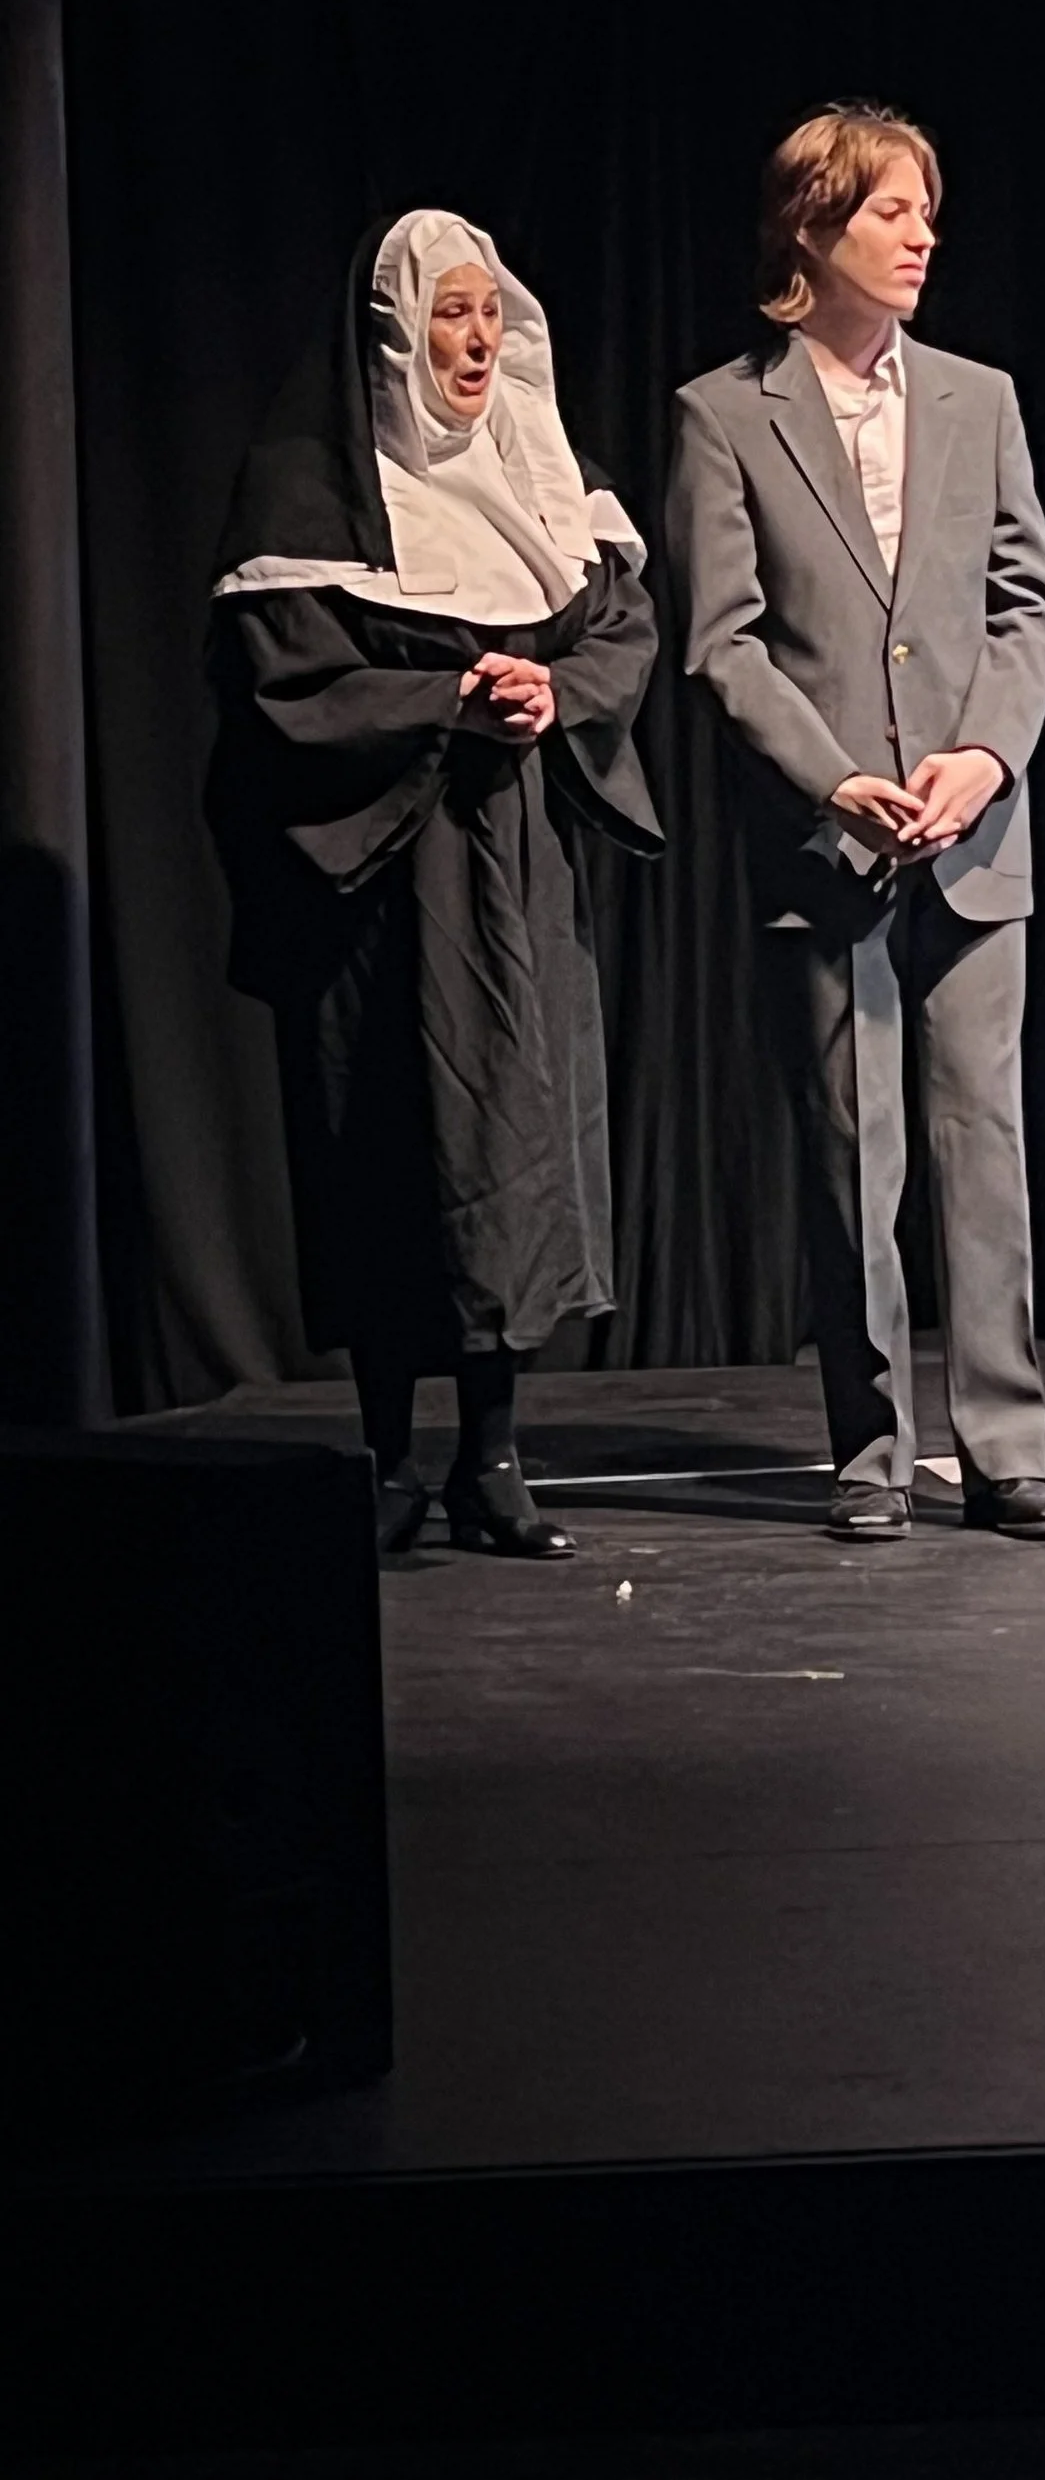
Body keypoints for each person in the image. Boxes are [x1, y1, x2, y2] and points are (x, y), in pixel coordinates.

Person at [209, 211, 662, 1556]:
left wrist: (552, 693)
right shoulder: (308, 495)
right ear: (392, 337)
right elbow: (285, 682)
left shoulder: (543, 477)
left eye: (487, 313)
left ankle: (491, 1454)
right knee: (385, 1145)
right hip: (381, 869)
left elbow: (619, 627)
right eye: (445, 315)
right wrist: (440, 701)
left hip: (516, 859)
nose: (473, 341)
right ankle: (386, 1452)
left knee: (512, 1154)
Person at [668, 101, 1045, 1543]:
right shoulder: (726, 413)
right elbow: (722, 640)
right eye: (891, 212)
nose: (921, 237)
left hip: (971, 834)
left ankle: (1007, 1445)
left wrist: (987, 758)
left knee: (985, 1142)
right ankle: (872, 1445)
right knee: (855, 1152)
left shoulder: (979, 398)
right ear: (814, 228)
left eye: (925, 213)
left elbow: (1028, 607)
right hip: (832, 838)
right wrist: (835, 777)